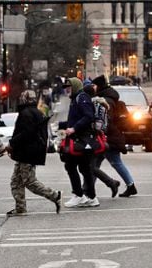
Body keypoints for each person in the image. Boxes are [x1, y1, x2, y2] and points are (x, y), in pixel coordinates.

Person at [0, 90, 61, 216]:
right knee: (16, 181)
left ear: (24, 99)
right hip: (29, 152)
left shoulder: (26, 114)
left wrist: (11, 144)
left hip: (27, 153)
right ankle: (20, 208)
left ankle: (55, 196)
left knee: (29, 181)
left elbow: (25, 134)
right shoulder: (37, 113)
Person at [91, 75, 137, 197]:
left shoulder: (106, 100)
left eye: (94, 86)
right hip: (111, 136)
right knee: (97, 164)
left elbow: (106, 121)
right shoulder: (110, 97)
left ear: (99, 86)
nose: (93, 88)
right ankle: (90, 189)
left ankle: (90, 190)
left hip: (109, 137)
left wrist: (101, 133)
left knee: (105, 163)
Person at [59, 77, 99, 208]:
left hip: (81, 139)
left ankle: (79, 194)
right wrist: (62, 125)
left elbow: (88, 116)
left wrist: (74, 128)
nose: (67, 90)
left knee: (71, 166)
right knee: (84, 169)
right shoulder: (77, 98)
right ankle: (91, 197)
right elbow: (78, 118)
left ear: (75, 86)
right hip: (81, 139)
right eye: (66, 88)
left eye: (69, 87)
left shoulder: (81, 98)